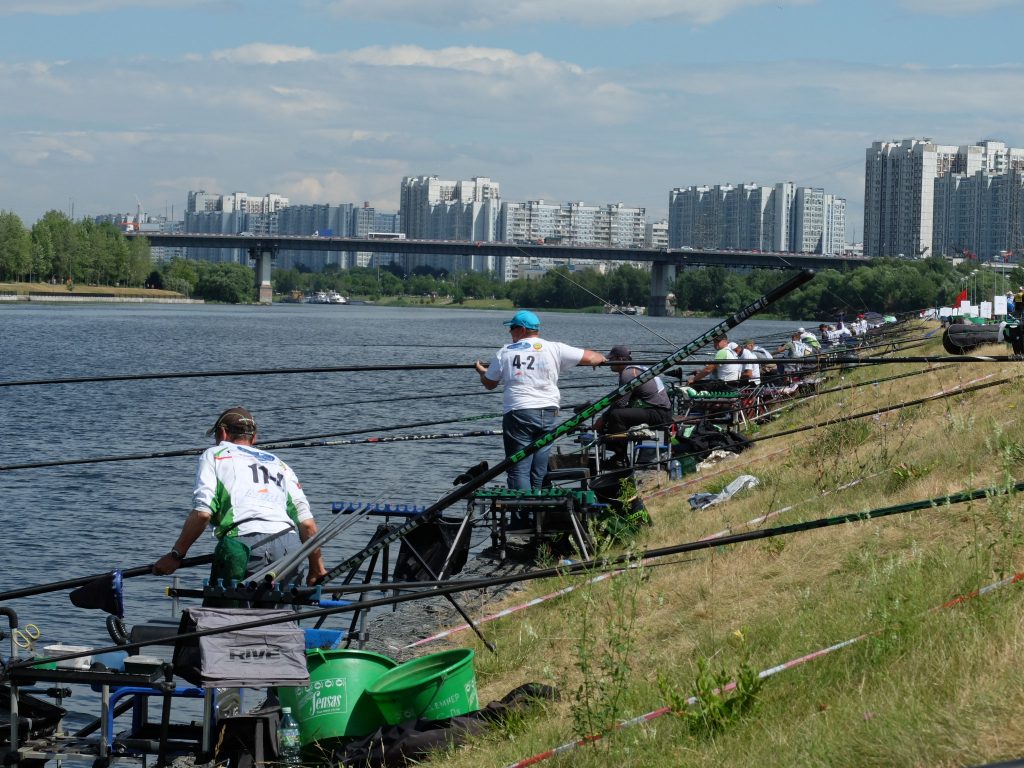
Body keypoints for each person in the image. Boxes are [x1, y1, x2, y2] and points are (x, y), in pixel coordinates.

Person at [153, 406, 327, 586]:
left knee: (229, 613)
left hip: (243, 545)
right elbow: (307, 524)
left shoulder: (214, 455)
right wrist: (317, 567)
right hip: (290, 548)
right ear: (254, 437)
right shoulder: (280, 464)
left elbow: (203, 512)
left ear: (222, 433)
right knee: (283, 614)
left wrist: (176, 555)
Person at [474, 310, 606, 490]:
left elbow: (490, 383)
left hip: (519, 414)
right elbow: (593, 357)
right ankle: (537, 512)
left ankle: (522, 514)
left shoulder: (505, 352)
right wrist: (601, 360)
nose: (509, 332)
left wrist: (482, 372)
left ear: (521, 330)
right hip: (549, 414)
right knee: (539, 469)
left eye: (512, 328)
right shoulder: (555, 348)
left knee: (518, 469)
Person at [597, 345, 673, 467]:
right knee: (616, 414)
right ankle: (619, 454)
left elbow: (620, 403)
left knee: (616, 415)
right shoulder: (637, 368)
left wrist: (602, 419)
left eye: (612, 360)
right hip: (659, 410)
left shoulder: (628, 373)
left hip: (659, 413)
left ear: (621, 359)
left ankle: (620, 458)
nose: (609, 363)